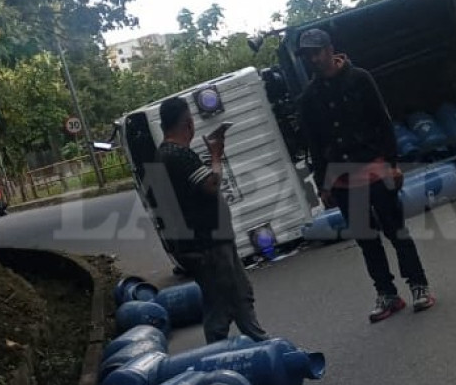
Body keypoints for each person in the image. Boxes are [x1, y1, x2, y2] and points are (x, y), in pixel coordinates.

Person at [297, 28, 436, 322]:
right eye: (307, 55)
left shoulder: (360, 79)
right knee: (366, 239)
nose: (313, 58)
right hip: (343, 178)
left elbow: (382, 122)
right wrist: (324, 185)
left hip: (375, 167)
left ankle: (418, 285)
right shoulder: (309, 98)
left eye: (316, 52)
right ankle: (387, 293)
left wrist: (393, 162)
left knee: (395, 231)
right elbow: (315, 144)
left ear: (330, 49)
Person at [155, 96, 271, 343]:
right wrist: (217, 155)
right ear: (187, 123)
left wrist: (211, 157)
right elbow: (211, 184)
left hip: (200, 244)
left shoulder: (162, 157)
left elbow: (191, 186)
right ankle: (220, 359)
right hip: (208, 244)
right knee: (220, 307)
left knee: (238, 295)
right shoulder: (179, 155)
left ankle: (264, 345)